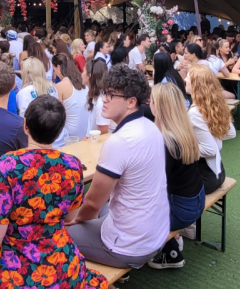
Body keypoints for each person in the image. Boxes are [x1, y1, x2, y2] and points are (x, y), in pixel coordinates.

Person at [0, 95, 109, 289]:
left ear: (25, 125)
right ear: (59, 130)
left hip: (15, 270)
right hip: (63, 266)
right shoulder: (72, 165)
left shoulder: (9, 165)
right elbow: (70, 216)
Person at [66, 66, 169, 269]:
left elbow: (93, 204)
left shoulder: (119, 141)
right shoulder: (151, 127)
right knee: (102, 207)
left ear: (131, 102)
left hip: (128, 248)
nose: (104, 99)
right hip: (157, 234)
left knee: (56, 231)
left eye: (111, 95)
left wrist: (73, 220)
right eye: (105, 92)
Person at [146, 82, 205, 270]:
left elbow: (154, 186)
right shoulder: (184, 130)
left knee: (132, 214)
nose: (148, 104)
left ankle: (171, 253)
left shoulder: (165, 141)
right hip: (197, 200)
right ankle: (175, 239)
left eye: (151, 100)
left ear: (159, 107)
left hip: (181, 210)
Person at [52, 53, 90, 141]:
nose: (54, 73)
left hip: (70, 134)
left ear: (58, 67)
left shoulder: (59, 86)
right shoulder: (83, 81)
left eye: (54, 70)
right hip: (87, 129)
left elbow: (56, 114)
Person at [84, 59, 113, 135]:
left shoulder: (101, 102)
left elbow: (101, 135)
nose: (81, 74)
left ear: (89, 76)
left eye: (83, 71)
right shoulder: (95, 96)